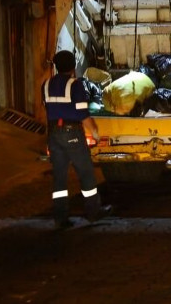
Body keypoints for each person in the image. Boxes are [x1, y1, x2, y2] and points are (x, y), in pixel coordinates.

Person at [43, 49, 111, 228]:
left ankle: (60, 217)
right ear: (73, 67)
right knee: (86, 172)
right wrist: (95, 132)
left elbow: (48, 109)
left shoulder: (46, 84)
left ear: (57, 67)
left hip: (53, 134)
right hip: (71, 132)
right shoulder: (75, 85)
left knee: (59, 176)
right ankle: (93, 212)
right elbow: (82, 114)